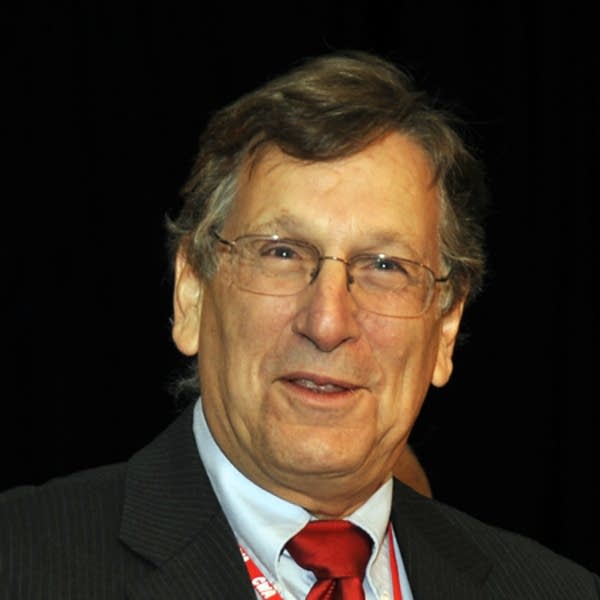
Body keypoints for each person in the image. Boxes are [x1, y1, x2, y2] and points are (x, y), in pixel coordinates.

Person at [1, 50, 598, 599]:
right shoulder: (20, 563)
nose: (328, 321)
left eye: (385, 266)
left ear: (445, 328)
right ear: (192, 293)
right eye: (281, 253)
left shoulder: (556, 591)